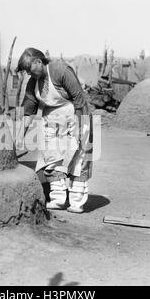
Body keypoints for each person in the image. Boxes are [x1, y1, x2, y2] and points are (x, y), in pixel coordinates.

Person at [16, 48, 93, 214]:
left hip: (76, 116)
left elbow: (79, 99)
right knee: (52, 158)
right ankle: (57, 198)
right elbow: (28, 111)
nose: (29, 73)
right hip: (53, 122)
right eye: (27, 71)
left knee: (77, 158)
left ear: (38, 61)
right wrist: (19, 137)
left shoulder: (60, 71)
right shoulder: (32, 83)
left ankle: (76, 201)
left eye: (30, 69)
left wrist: (79, 127)